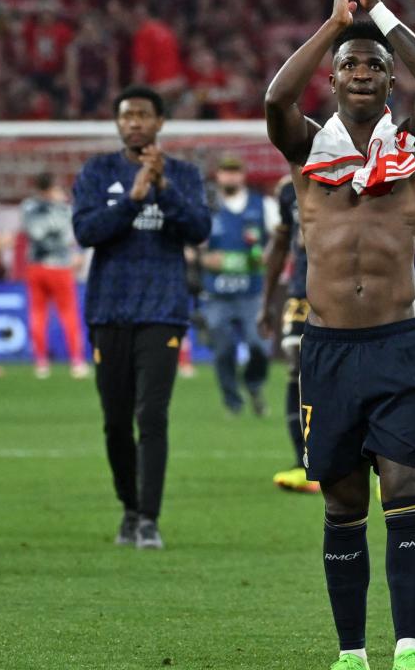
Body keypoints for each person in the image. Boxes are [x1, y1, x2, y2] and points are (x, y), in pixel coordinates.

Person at [265, 0, 415, 670]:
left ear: (388, 79)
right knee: (343, 505)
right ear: (335, 80)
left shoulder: (414, 147)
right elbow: (275, 101)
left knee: (404, 490)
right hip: (329, 350)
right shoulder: (310, 148)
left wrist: (380, 15)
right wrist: (334, 24)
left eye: (375, 65)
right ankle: (351, 652)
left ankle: (408, 647)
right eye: (352, 66)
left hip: (399, 345)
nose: (364, 73)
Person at [71, 84, 211, 551]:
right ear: (117, 122)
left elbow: (200, 229)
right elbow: (86, 231)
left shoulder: (184, 175)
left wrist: (163, 189)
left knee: (152, 415)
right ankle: (129, 508)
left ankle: (149, 518)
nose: (134, 122)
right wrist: (133, 199)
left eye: (143, 115)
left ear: (159, 122)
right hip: (109, 311)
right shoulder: (97, 172)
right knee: (115, 421)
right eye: (126, 114)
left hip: (163, 312)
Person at [201, 156, 276, 416]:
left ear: (243, 175)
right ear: (218, 175)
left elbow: (279, 238)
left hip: (252, 293)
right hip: (217, 293)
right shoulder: (206, 208)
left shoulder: (262, 205)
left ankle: (254, 385)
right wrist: (202, 257)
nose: (230, 176)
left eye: (235, 171)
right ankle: (232, 402)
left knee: (259, 346)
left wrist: (267, 255)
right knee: (223, 350)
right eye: (225, 171)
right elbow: (192, 246)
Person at [260, 174, 319, 493]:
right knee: (297, 370)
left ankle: (366, 462)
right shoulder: (287, 188)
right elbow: (281, 245)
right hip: (301, 292)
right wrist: (266, 302)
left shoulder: (357, 171)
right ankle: (304, 463)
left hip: (345, 291)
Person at [23, 173, 90, 379]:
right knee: (68, 314)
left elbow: (30, 233)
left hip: (36, 266)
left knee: (38, 313)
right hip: (60, 267)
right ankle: (76, 361)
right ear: (51, 188)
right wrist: (76, 256)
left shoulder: (27, 207)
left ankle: (41, 363)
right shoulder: (64, 210)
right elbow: (72, 238)